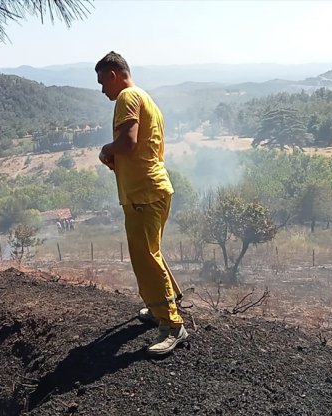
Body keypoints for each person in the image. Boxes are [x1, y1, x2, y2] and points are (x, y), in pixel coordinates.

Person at [95, 52, 187, 356]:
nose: (102, 90)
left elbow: (128, 143)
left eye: (102, 82)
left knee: (146, 257)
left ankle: (172, 325)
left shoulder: (127, 97)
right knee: (152, 253)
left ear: (113, 74)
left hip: (143, 194)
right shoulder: (147, 98)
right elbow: (143, 149)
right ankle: (163, 302)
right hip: (155, 188)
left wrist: (106, 149)